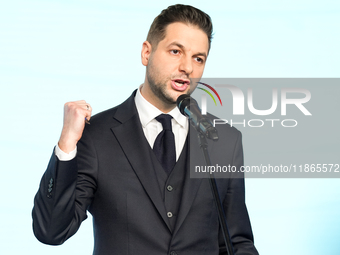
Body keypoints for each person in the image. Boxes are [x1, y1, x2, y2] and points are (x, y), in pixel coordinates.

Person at [32, 4, 259, 255]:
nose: (187, 67)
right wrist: (66, 145)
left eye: (198, 58)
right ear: (146, 53)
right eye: (175, 51)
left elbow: (236, 243)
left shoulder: (224, 140)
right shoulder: (97, 136)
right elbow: (51, 231)